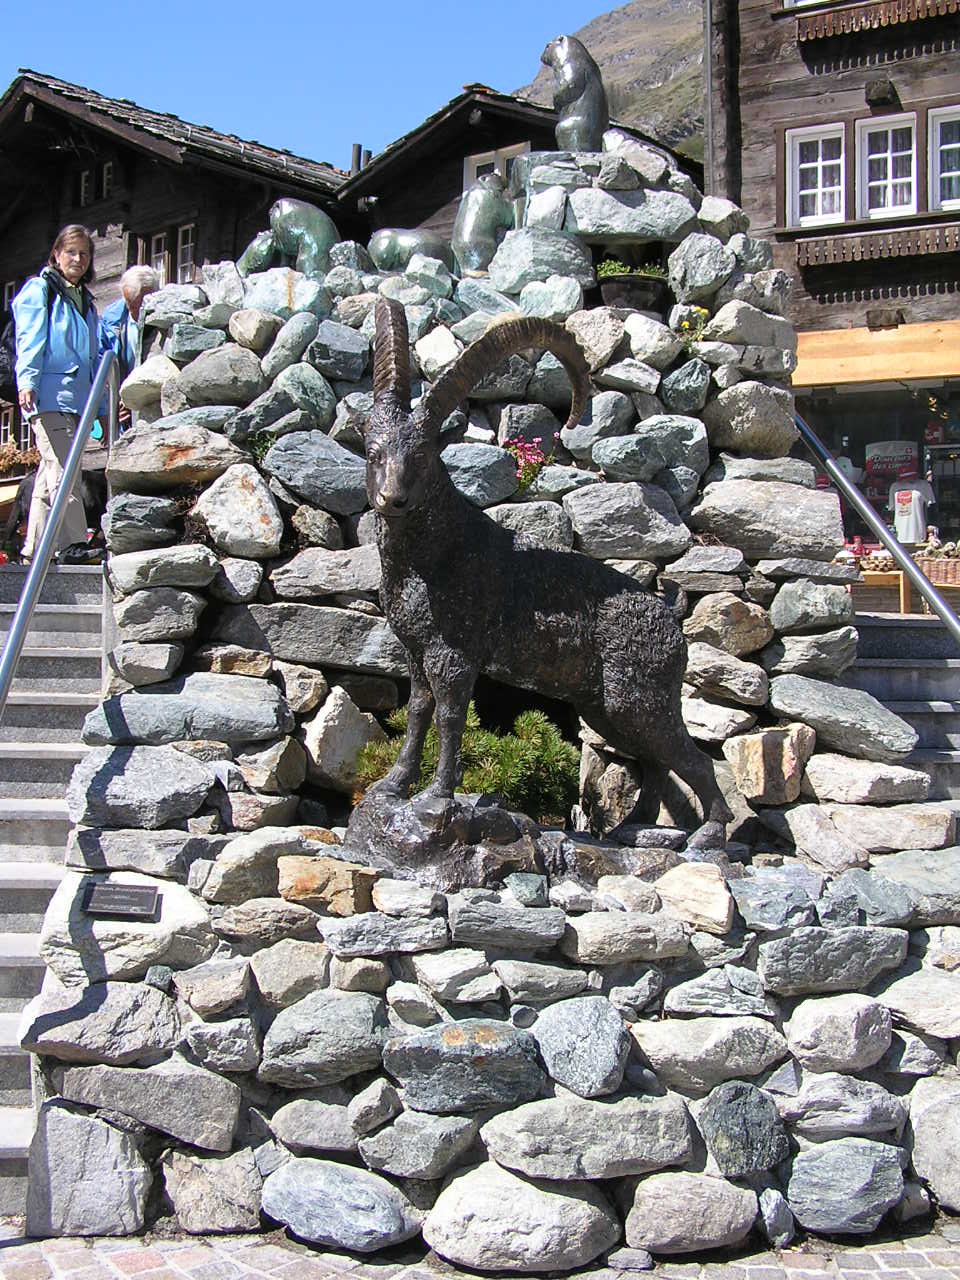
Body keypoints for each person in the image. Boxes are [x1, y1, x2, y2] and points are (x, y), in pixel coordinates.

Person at [13, 224, 104, 561]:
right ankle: (72, 544)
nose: (78, 259)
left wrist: (101, 408)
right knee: (65, 471)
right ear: (56, 254)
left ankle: (33, 551)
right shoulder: (41, 290)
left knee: (47, 478)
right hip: (48, 396)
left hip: (76, 402)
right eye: (71, 252)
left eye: (84, 254)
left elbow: (94, 362)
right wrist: (27, 381)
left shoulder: (85, 302)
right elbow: (30, 338)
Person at [100, 265, 159, 427]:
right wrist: (111, 405)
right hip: (122, 408)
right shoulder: (111, 321)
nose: (135, 313)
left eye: (140, 305)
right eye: (130, 305)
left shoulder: (167, 317)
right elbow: (100, 367)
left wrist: (134, 398)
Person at [888, 463, 936, 546]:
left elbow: (931, 507)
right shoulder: (894, 487)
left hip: (917, 533)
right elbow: (892, 508)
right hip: (899, 533)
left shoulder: (924, 485)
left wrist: (930, 530)